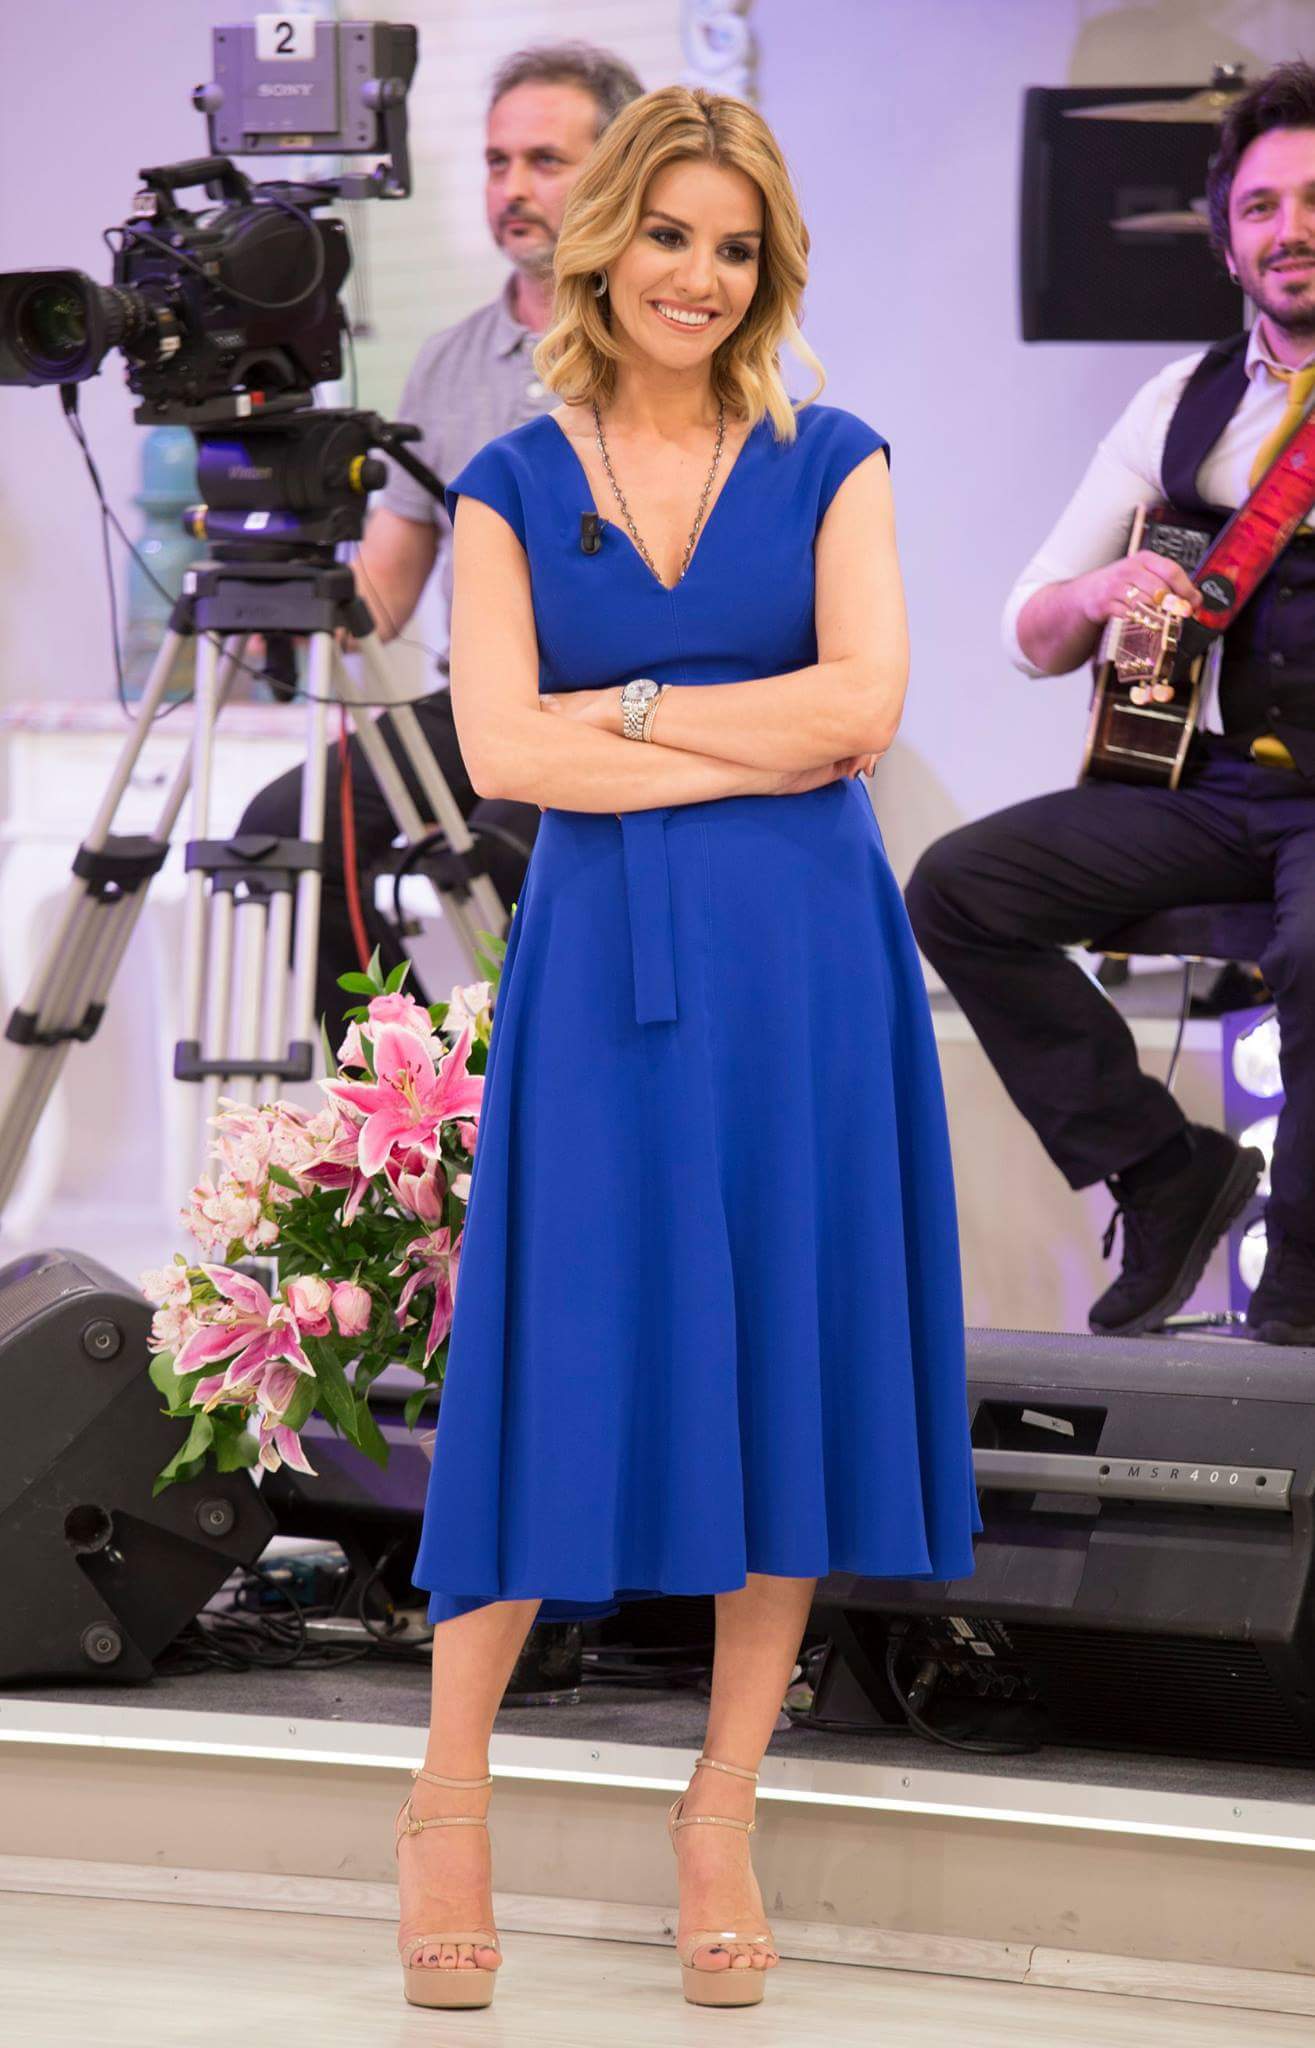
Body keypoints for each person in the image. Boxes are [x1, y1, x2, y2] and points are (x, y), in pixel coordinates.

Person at [390, 84, 982, 2013]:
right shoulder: (507, 480)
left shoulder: (834, 457)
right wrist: (742, 720)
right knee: (553, 1346)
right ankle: (445, 1798)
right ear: (604, 239)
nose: (700, 277)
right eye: (669, 234)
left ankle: (722, 1808)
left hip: (806, 962)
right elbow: (504, 750)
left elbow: (864, 709)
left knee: (786, 1353)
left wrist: (626, 712)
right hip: (601, 964)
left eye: (736, 249)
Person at [907, 60, 1315, 1346]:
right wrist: (1103, 591)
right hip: (1222, 789)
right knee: (960, 888)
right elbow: (1030, 630)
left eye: (1314, 201)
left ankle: (1302, 1277)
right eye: (1260, 208)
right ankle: (1162, 1169)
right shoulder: (1178, 404)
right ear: (1225, 241)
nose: (1290, 230)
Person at [238, 42, 643, 1037]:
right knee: (282, 833)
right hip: (475, 704)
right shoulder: (448, 360)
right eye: (498, 162)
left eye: (545, 161)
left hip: (618, 707)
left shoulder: (662, 351)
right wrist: (284, 603)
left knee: (505, 861)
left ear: (620, 174)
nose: (513, 188)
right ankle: (421, 1102)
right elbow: (388, 580)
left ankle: (539, 1104)